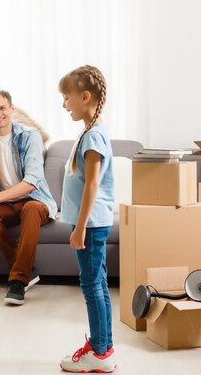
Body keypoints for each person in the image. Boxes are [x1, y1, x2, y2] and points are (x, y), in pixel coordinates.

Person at [0, 90, 58, 306]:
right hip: (7, 204)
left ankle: (18, 281)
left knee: (30, 209)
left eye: (2, 108)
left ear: (12, 109)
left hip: (35, 200)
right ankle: (28, 269)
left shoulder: (30, 136)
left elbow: (32, 181)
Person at [57, 66, 117, 373]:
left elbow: (93, 185)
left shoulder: (93, 136)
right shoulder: (93, 130)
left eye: (67, 98)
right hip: (93, 223)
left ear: (84, 96)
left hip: (91, 224)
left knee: (92, 286)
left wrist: (79, 228)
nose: (65, 104)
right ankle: (103, 348)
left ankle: (100, 353)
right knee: (98, 285)